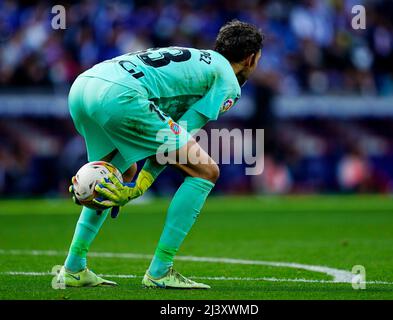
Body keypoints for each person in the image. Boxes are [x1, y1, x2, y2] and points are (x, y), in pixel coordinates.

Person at [59, 20, 263, 289]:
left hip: (85, 85)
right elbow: (175, 139)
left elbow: (166, 138)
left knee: (112, 175)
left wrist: (136, 179)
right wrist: (141, 187)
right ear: (250, 58)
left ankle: (73, 267)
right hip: (120, 96)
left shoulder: (197, 59)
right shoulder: (227, 81)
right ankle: (160, 271)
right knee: (206, 170)